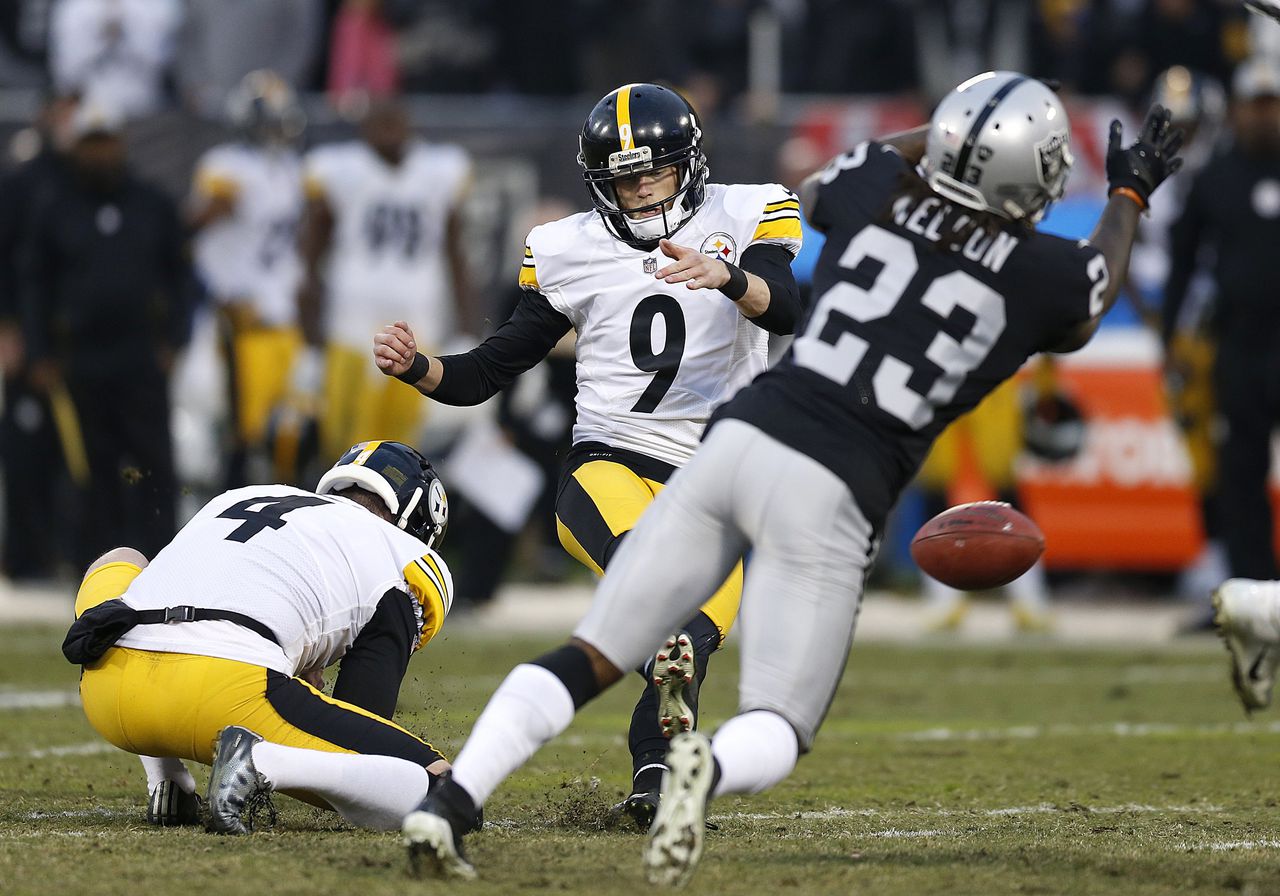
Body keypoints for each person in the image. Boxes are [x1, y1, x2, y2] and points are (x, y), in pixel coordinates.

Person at [395, 72, 1183, 883]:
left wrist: (945, 126)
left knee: (605, 647)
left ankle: (457, 801)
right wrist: (1127, 191)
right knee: (777, 719)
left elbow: (838, 186)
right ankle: (707, 769)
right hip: (828, 486)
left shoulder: (870, 199)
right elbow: (1094, 291)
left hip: (738, 439)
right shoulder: (1036, 269)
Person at [373, 82, 804, 828]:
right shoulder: (568, 248)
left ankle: (653, 780)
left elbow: (789, 305)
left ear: (689, 164)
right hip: (613, 464)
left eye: (653, 171)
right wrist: (420, 367)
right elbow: (489, 371)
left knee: (687, 646)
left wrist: (730, 279)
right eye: (622, 176)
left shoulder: (749, 210)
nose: (638, 188)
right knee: (662, 608)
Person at [64, 440, 455, 833]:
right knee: (446, 789)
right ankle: (263, 763)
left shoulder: (245, 495)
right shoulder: (399, 555)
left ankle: (166, 779)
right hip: (223, 695)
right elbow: (362, 723)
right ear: (416, 525)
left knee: (122, 560)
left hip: (108, 684)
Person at [22, 101, 188, 568]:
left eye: (106, 142)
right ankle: (92, 564)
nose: (99, 154)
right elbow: (35, 282)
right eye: (89, 144)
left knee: (152, 459)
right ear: (77, 149)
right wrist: (39, 351)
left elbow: (180, 277)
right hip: (79, 358)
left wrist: (174, 341)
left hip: (140, 356)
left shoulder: (152, 204)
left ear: (121, 144)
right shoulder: (54, 206)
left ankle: (163, 560)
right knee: (88, 465)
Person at [300, 97, 474, 463]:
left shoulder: (440, 169)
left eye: (394, 122)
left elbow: (456, 252)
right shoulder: (339, 168)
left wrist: (466, 327)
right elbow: (310, 252)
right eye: (379, 123)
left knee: (402, 439)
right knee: (342, 436)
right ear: (364, 129)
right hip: (351, 319)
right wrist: (308, 330)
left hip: (417, 318)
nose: (388, 132)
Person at [1164, 55, 1280, 585]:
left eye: (1271, 105)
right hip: (1240, 343)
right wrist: (1170, 337)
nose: (1263, 116)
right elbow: (1182, 264)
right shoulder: (1214, 178)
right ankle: (1252, 587)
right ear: (1235, 111)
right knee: (1239, 471)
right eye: (1254, 106)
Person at [188, 70, 311, 486]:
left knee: (285, 430)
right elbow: (194, 229)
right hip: (240, 316)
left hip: (281, 314)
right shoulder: (228, 167)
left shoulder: (289, 167)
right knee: (240, 433)